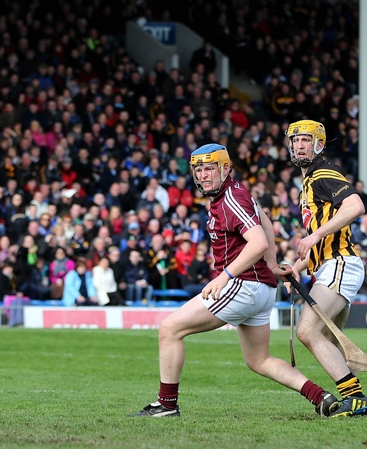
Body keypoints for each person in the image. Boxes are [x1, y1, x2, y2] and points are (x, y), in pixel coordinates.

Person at [130, 143, 339, 418]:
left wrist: (225, 275)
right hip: (261, 288)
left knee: (169, 329)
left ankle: (166, 405)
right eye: (199, 170)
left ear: (225, 168)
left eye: (209, 169)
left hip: (243, 285)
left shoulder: (230, 197)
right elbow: (263, 220)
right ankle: (320, 397)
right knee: (259, 360)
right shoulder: (234, 193)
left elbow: (258, 240)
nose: (203, 175)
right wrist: (272, 265)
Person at [286, 120, 367, 417]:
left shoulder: (323, 174)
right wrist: (297, 266)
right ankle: (355, 398)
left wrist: (314, 235)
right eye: (295, 140)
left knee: (307, 331)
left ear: (319, 144)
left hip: (341, 263)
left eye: (306, 140)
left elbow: (356, 206)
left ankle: (355, 397)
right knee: (329, 338)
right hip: (329, 266)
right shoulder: (307, 183)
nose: (299, 145)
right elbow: (318, 241)